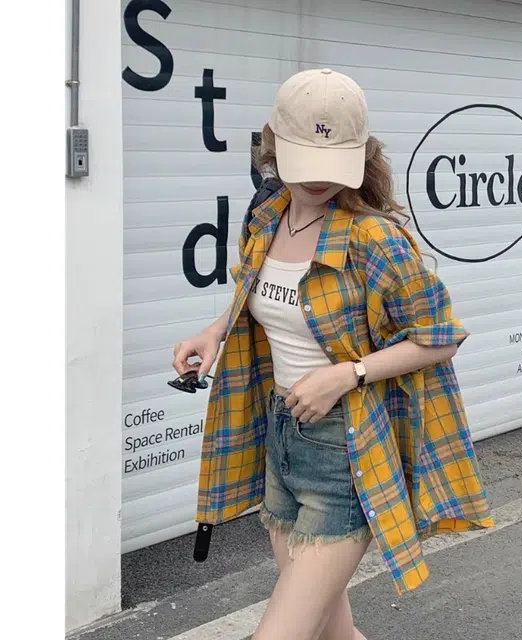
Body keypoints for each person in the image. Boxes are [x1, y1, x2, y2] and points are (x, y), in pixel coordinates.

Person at [173, 68, 494, 640]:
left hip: (344, 451)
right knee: (331, 634)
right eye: (306, 159)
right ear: (273, 145)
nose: (320, 178)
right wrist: (215, 331)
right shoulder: (268, 217)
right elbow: (258, 292)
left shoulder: (372, 239)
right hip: (280, 437)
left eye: (335, 160)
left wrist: (349, 374)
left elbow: (442, 336)